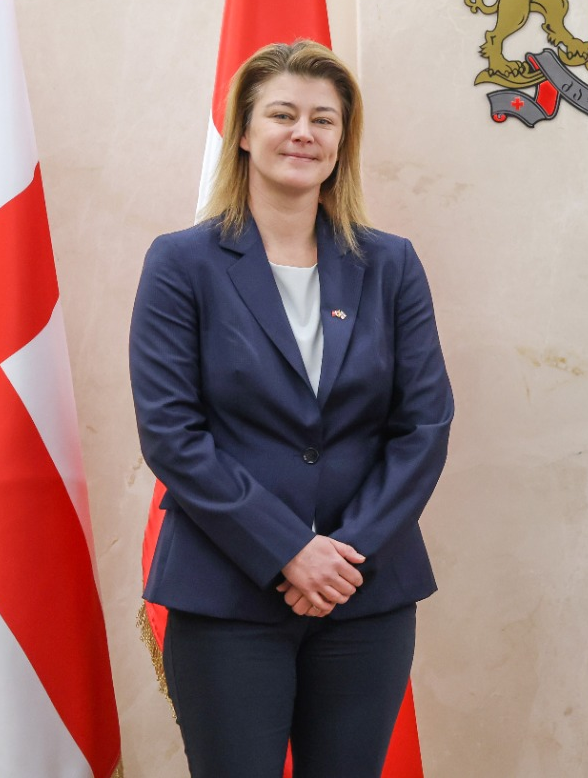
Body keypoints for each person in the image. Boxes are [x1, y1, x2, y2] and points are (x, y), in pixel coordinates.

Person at [130, 40, 453, 778]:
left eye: (323, 119)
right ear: (244, 132)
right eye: (282, 114)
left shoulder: (391, 264)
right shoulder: (181, 263)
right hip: (226, 593)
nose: (303, 133)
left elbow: (424, 426)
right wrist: (287, 549)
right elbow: (172, 434)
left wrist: (345, 555)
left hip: (364, 595)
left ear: (342, 141)